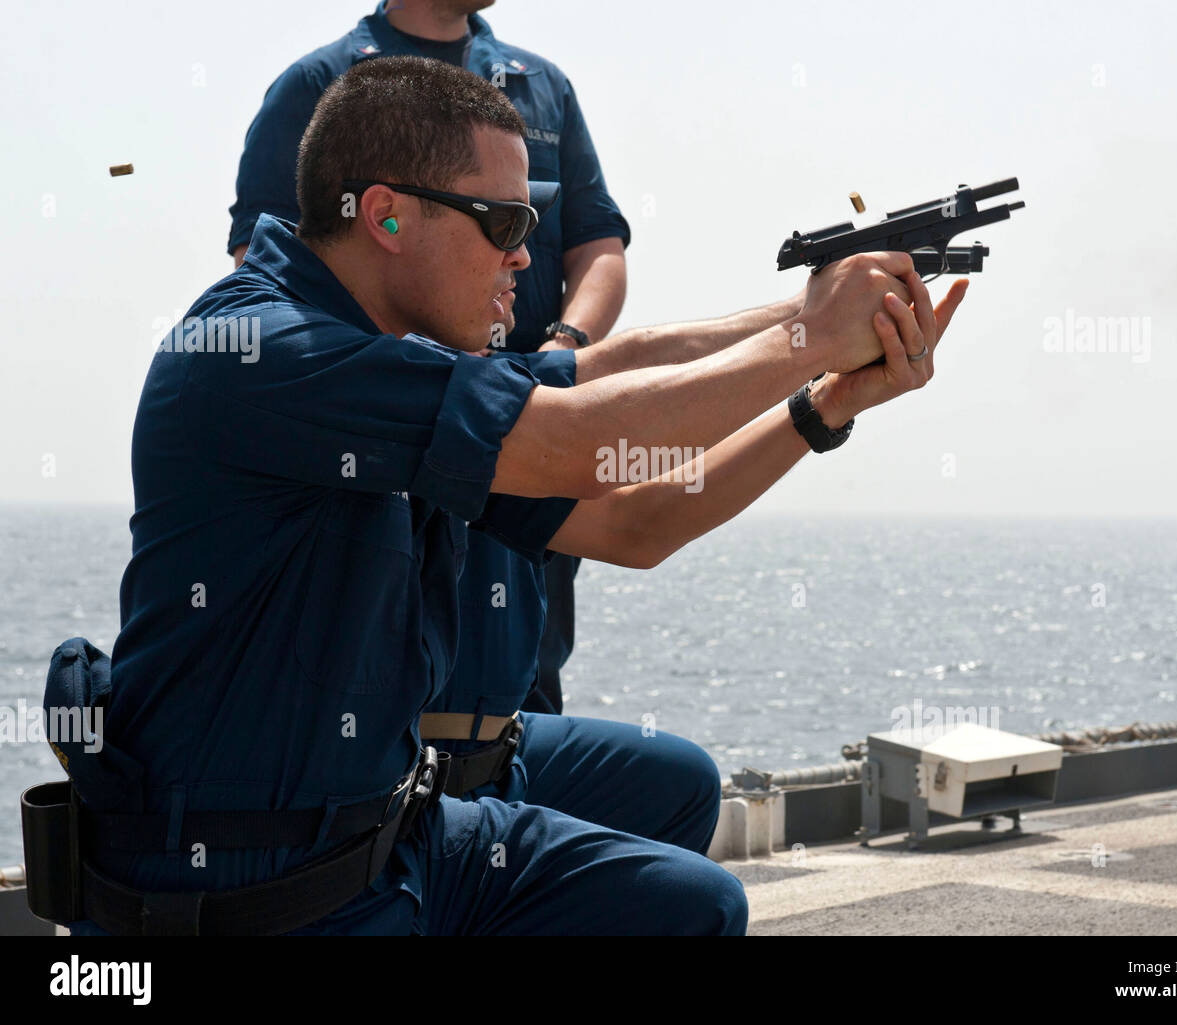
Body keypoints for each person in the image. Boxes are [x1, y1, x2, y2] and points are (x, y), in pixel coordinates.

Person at [64, 57, 965, 936]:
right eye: (501, 221)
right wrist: (811, 334)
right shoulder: (272, 351)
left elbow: (629, 506)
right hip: (271, 892)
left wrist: (823, 388)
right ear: (384, 217)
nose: (526, 255)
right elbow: (580, 443)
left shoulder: (394, 353)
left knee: (694, 901)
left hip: (389, 841)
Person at [228, 1, 627, 716]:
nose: (518, 248)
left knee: (519, 698)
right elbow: (268, 271)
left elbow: (599, 248)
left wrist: (561, 351)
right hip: (390, 456)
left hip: (524, 435)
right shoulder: (318, 84)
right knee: (382, 690)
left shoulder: (544, 88)